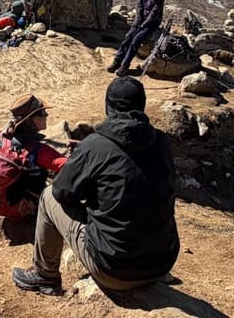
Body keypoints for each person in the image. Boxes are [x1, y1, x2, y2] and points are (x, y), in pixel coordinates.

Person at [12, 77, 179, 295]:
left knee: (47, 197)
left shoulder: (96, 145)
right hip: (163, 262)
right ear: (142, 105)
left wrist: (87, 179)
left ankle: (45, 276)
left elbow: (62, 192)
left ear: (108, 106)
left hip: (114, 271)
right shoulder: (162, 142)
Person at [0, 94, 68, 228]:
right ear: (30, 120)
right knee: (45, 182)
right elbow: (68, 166)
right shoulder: (37, 150)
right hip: (20, 212)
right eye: (42, 113)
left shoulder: (3, 139)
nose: (46, 116)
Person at [108, 0, 165, 76]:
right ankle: (117, 61)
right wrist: (138, 22)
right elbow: (139, 7)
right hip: (140, 21)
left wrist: (144, 25)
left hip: (151, 24)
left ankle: (125, 65)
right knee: (127, 38)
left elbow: (154, 14)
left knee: (135, 41)